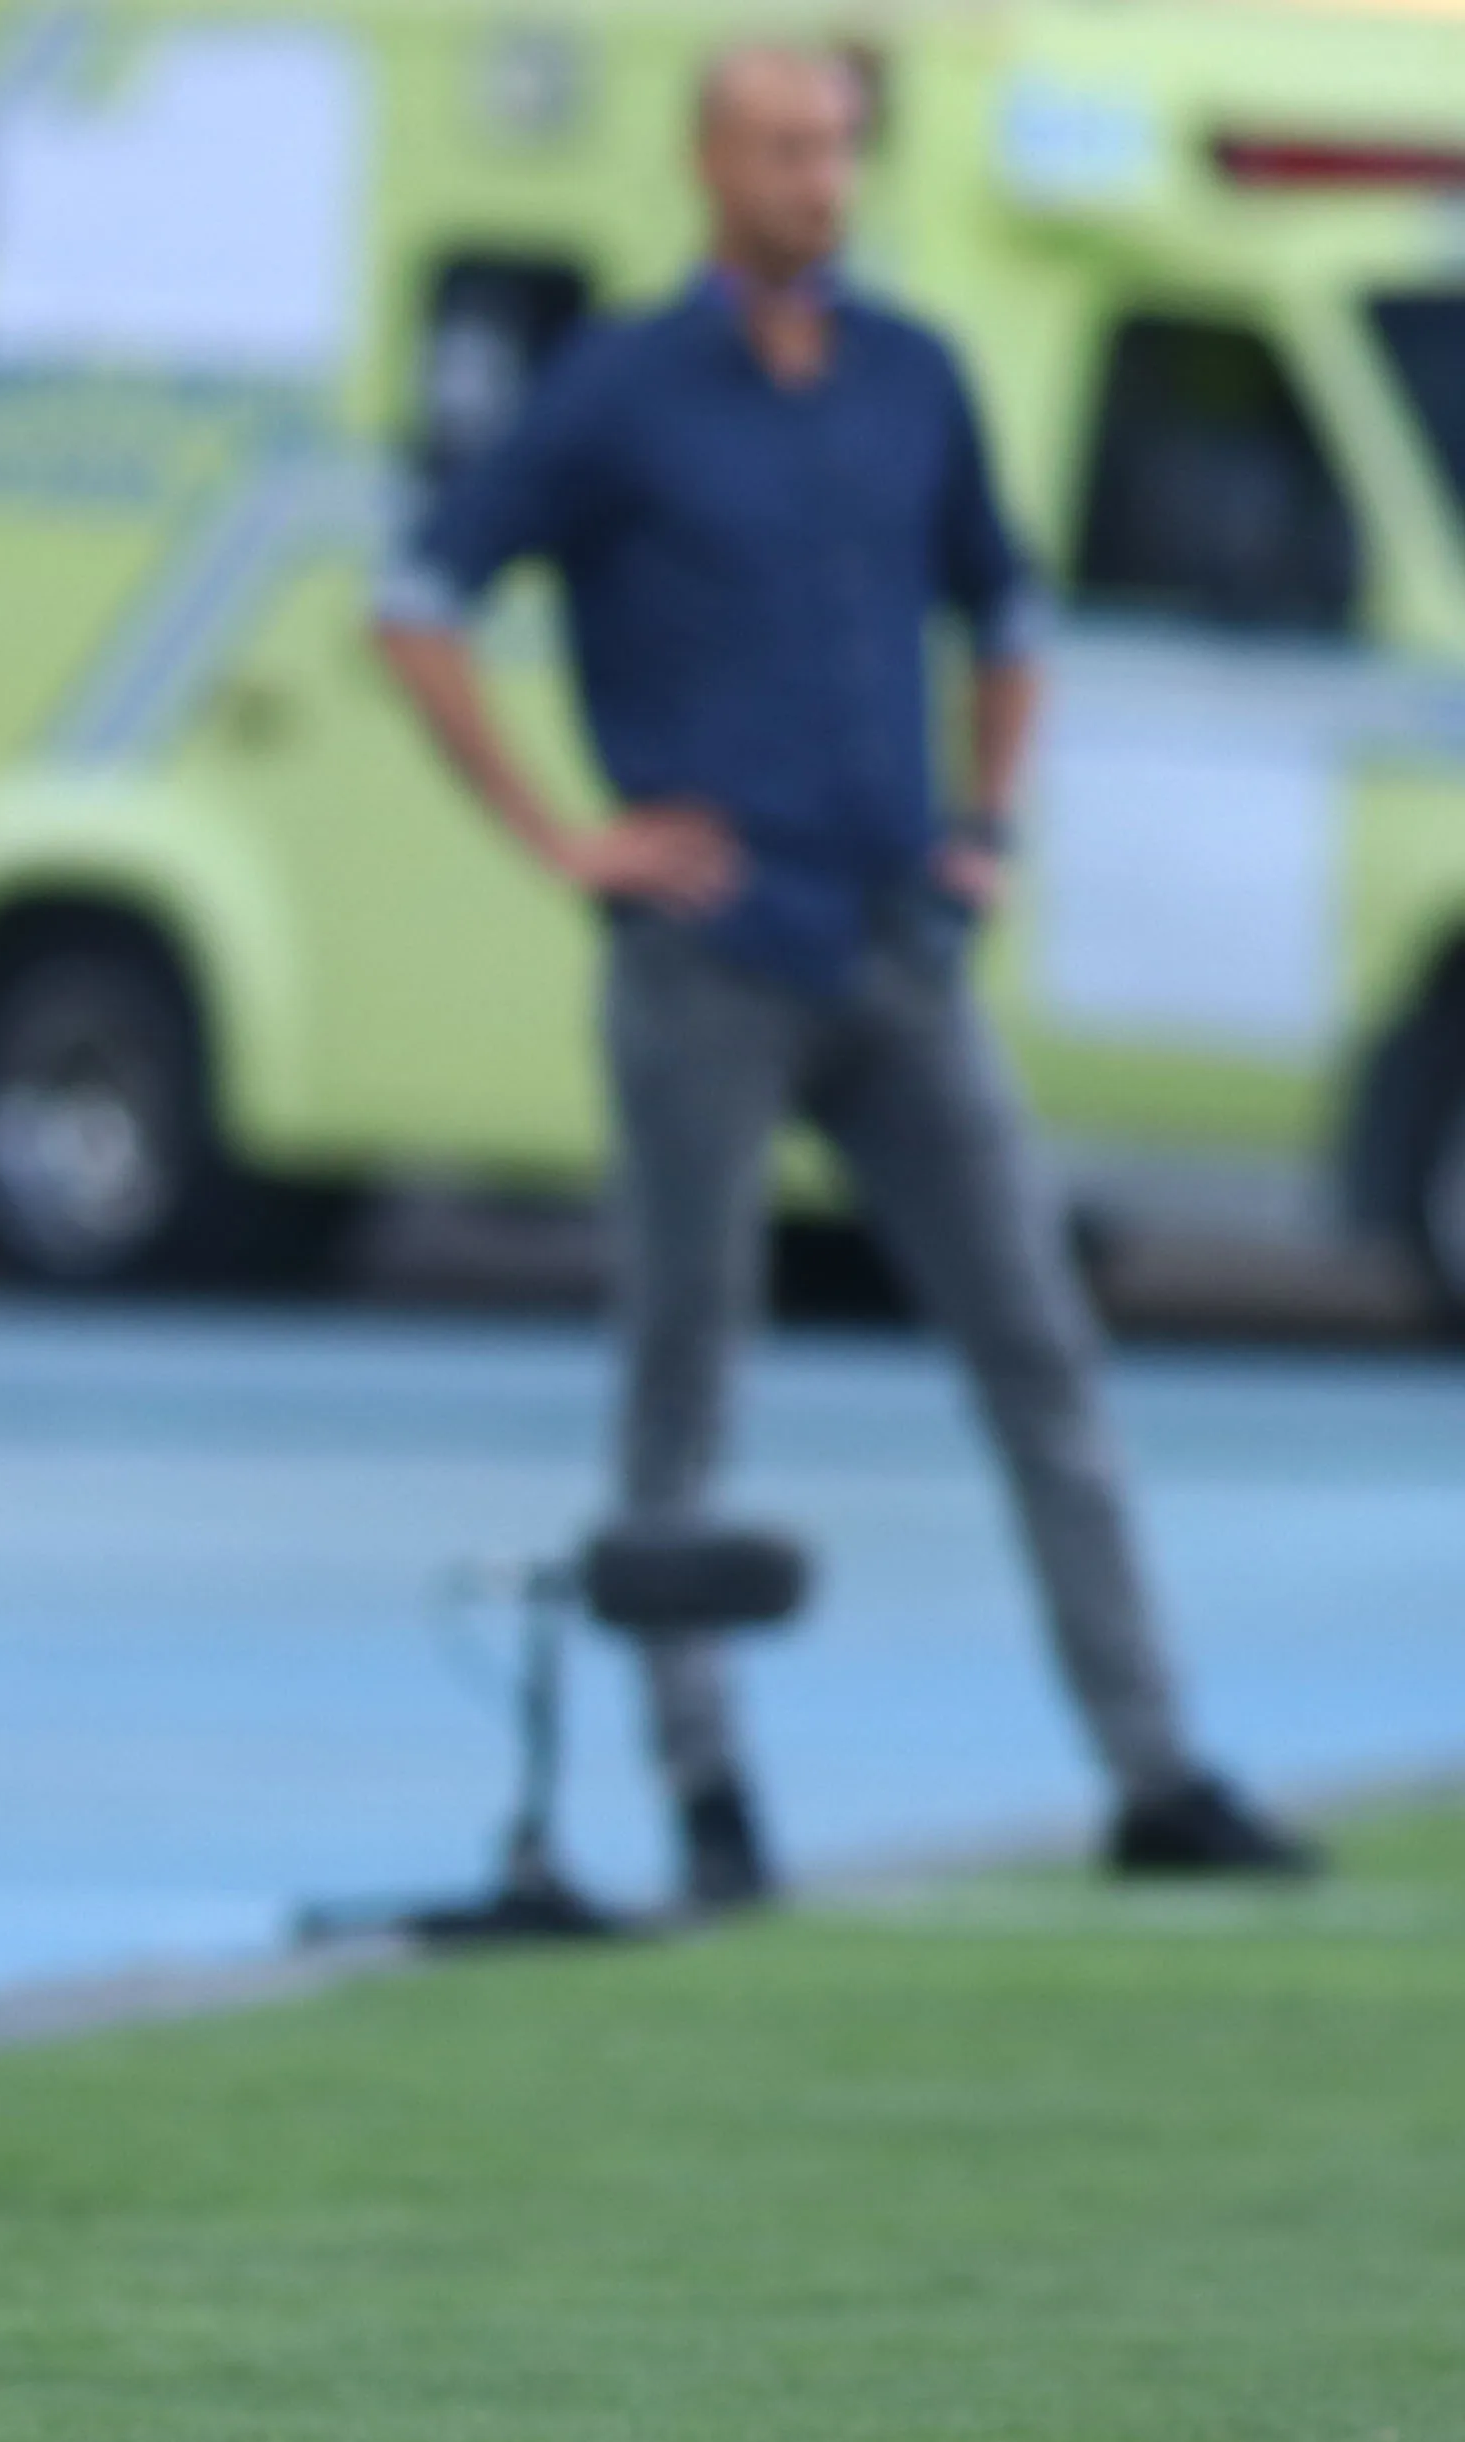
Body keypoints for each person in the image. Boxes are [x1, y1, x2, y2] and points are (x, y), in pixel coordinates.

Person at [373, 45, 1313, 1908]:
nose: (820, 179)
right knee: (686, 1373)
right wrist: (567, 839)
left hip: (895, 941)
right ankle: (707, 1792)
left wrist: (986, 826)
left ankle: (1151, 1768)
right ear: (708, 162)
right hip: (707, 955)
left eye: (837, 148)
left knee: (1040, 1347)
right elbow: (418, 603)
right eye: (786, 148)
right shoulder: (623, 386)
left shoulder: (910, 373)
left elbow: (1008, 611)